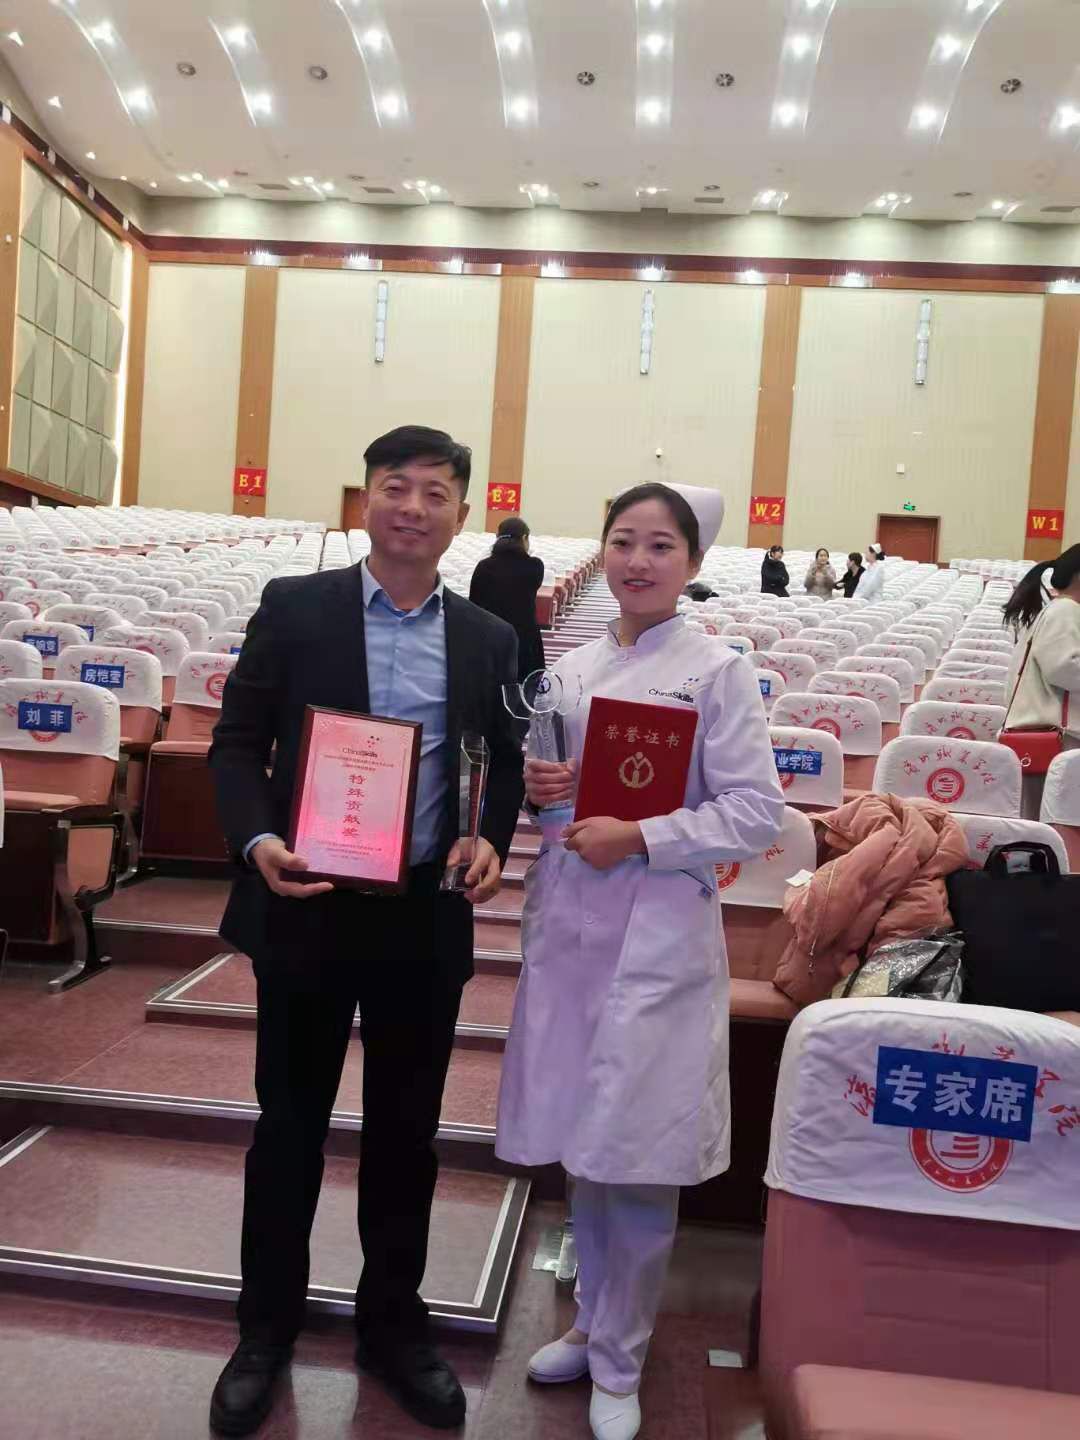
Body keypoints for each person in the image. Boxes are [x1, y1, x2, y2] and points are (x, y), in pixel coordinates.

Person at [207, 425, 525, 1436]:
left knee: (405, 1135)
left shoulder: (488, 637)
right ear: (367, 500)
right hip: (306, 904)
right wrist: (258, 839)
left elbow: (501, 761)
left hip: (420, 917)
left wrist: (487, 838)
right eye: (397, 486)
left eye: (436, 492)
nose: (413, 507)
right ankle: (265, 1330)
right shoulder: (295, 606)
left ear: (461, 515)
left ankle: (393, 1325)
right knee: (288, 1126)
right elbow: (234, 744)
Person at [496, 481, 785, 1440]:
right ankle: (589, 1323)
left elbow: (756, 813)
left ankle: (622, 1358)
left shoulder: (717, 673)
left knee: (642, 1154)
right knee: (587, 1140)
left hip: (659, 930)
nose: (638, 560)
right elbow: (557, 799)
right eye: (623, 540)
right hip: (574, 929)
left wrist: (645, 836)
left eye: (662, 545)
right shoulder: (572, 668)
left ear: (692, 563)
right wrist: (545, 789)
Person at [1002, 545, 1080, 818]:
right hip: (1055, 737)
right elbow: (1063, 668)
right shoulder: (1066, 610)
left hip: (1045, 733)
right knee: (1048, 822)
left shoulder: (1057, 609)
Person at [468, 514, 546, 683]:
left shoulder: (484, 567)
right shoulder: (535, 566)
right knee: (524, 690)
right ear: (524, 538)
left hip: (490, 641)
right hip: (525, 642)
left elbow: (473, 604)